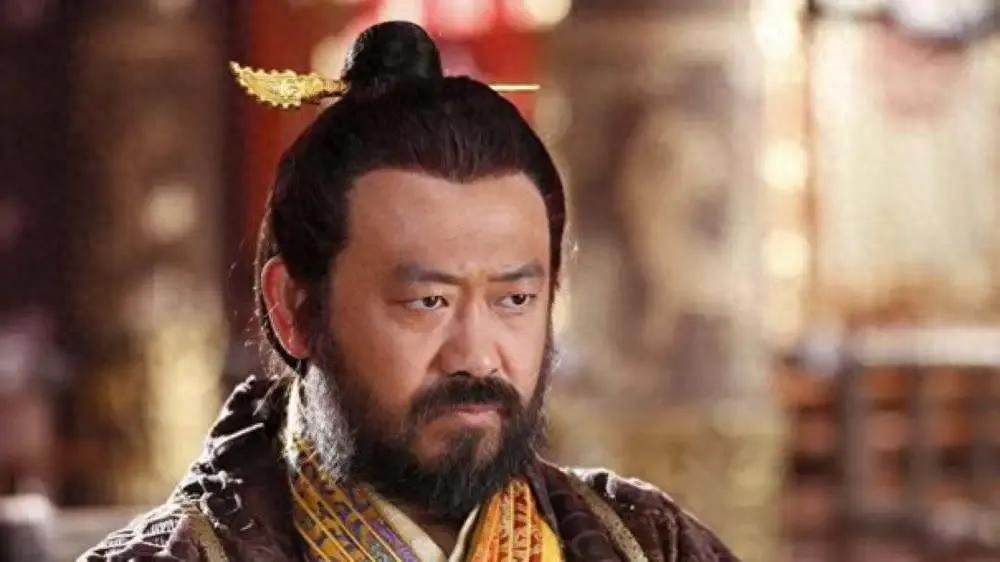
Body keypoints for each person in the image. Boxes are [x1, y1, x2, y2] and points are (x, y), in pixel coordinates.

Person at [81, 21, 738, 562]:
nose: (476, 356)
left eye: (514, 300)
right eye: (429, 302)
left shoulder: (650, 544)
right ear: (295, 311)